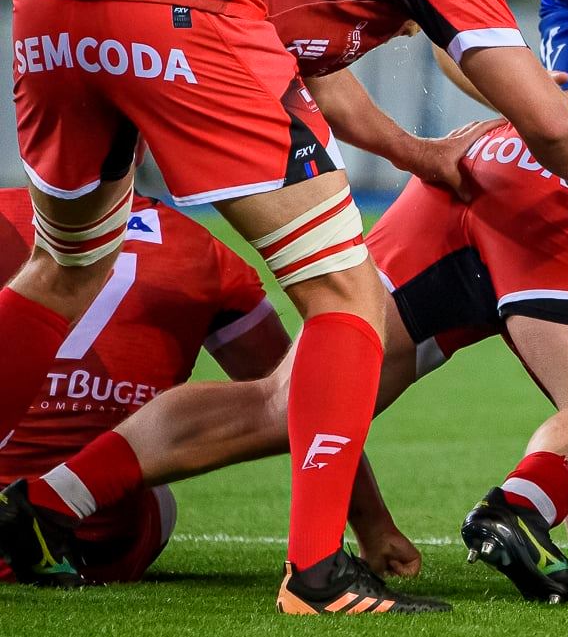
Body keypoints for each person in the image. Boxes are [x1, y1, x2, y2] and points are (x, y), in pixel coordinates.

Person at [3, 0, 568, 615]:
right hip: (182, 9)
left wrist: (418, 155)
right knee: (344, 296)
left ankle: (22, 512)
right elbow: (541, 113)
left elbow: (327, 83)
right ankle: (316, 574)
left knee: (63, 269)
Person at [0, 120, 568, 607]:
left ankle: (51, 497)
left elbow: (423, 67)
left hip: (463, 167)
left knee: (283, 397)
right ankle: (516, 507)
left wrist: (416, 148)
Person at [0, 190, 415, 586]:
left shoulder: (6, 213)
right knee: (161, 498)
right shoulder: (205, 252)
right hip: (99, 546)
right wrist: (373, 523)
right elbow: (302, 395)